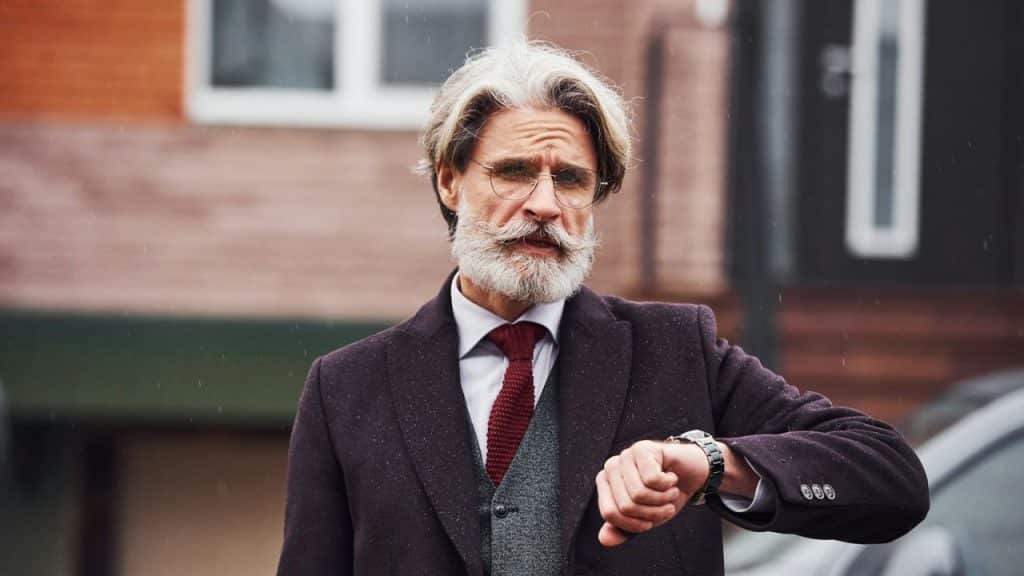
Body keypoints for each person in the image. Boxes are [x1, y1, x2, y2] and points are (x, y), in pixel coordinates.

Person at [276, 43, 928, 576]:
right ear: (450, 180)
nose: (543, 204)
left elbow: (892, 480)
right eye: (513, 171)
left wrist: (712, 464)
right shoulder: (347, 388)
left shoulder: (677, 351)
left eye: (570, 179)